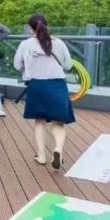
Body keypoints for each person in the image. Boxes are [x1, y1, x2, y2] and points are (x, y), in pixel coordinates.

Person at [14, 14, 76, 169]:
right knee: (58, 122)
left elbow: (17, 65)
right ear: (48, 26)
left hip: (37, 86)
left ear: (30, 29)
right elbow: (68, 65)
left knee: (40, 121)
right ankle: (58, 149)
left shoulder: (25, 44)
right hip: (57, 85)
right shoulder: (59, 43)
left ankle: (41, 156)